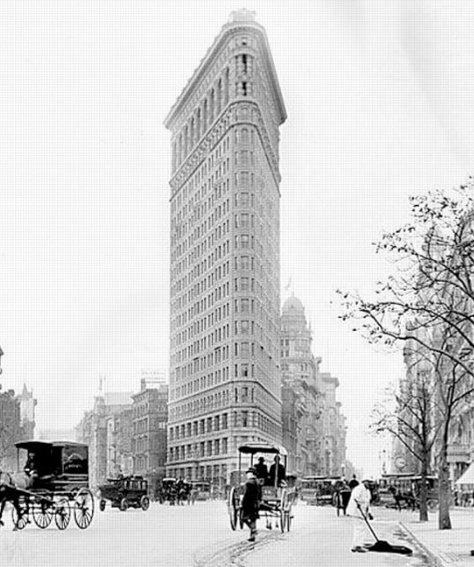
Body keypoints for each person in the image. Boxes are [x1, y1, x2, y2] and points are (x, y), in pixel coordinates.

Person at [346, 478, 373, 553]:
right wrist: (359, 504)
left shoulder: (367, 491)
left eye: (371, 483)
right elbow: (355, 498)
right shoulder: (359, 489)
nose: (370, 484)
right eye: (368, 482)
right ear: (364, 482)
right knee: (359, 528)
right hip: (357, 511)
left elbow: (367, 503)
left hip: (362, 512)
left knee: (361, 528)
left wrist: (369, 513)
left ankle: (357, 544)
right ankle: (357, 545)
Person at [241, 467, 261, 542]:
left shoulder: (250, 482)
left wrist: (242, 502)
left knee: (244, 518)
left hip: (249, 503)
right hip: (254, 502)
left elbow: (246, 494)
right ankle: (252, 534)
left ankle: (253, 530)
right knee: (253, 519)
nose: (247, 474)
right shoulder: (256, 482)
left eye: (249, 473)